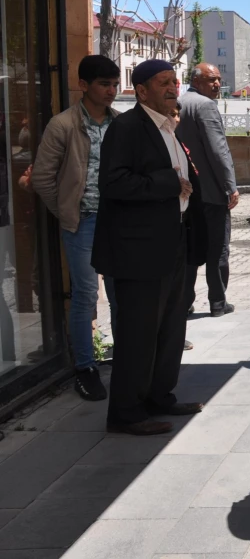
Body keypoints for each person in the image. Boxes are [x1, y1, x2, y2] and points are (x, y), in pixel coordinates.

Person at [92, 60, 206, 436]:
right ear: (140, 90)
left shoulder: (168, 127)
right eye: (163, 83)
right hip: (138, 252)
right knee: (139, 334)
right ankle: (125, 413)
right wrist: (168, 183)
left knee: (171, 328)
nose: (173, 88)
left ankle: (160, 397)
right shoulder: (126, 128)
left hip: (173, 242)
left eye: (174, 82)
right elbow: (114, 184)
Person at [30, 55, 120, 401]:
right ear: (84, 85)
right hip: (83, 223)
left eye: (114, 84)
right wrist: (68, 210)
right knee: (85, 296)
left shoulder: (120, 123)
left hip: (117, 224)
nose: (111, 91)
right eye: (104, 84)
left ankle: (126, 360)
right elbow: (42, 177)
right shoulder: (63, 125)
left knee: (119, 294)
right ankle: (85, 367)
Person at [177, 63, 238, 317]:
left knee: (190, 249)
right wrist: (230, 185)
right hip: (211, 191)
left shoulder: (179, 103)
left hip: (185, 192)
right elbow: (218, 150)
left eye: (219, 79)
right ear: (197, 80)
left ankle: (184, 302)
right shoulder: (205, 106)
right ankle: (217, 301)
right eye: (212, 80)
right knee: (217, 247)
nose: (217, 85)